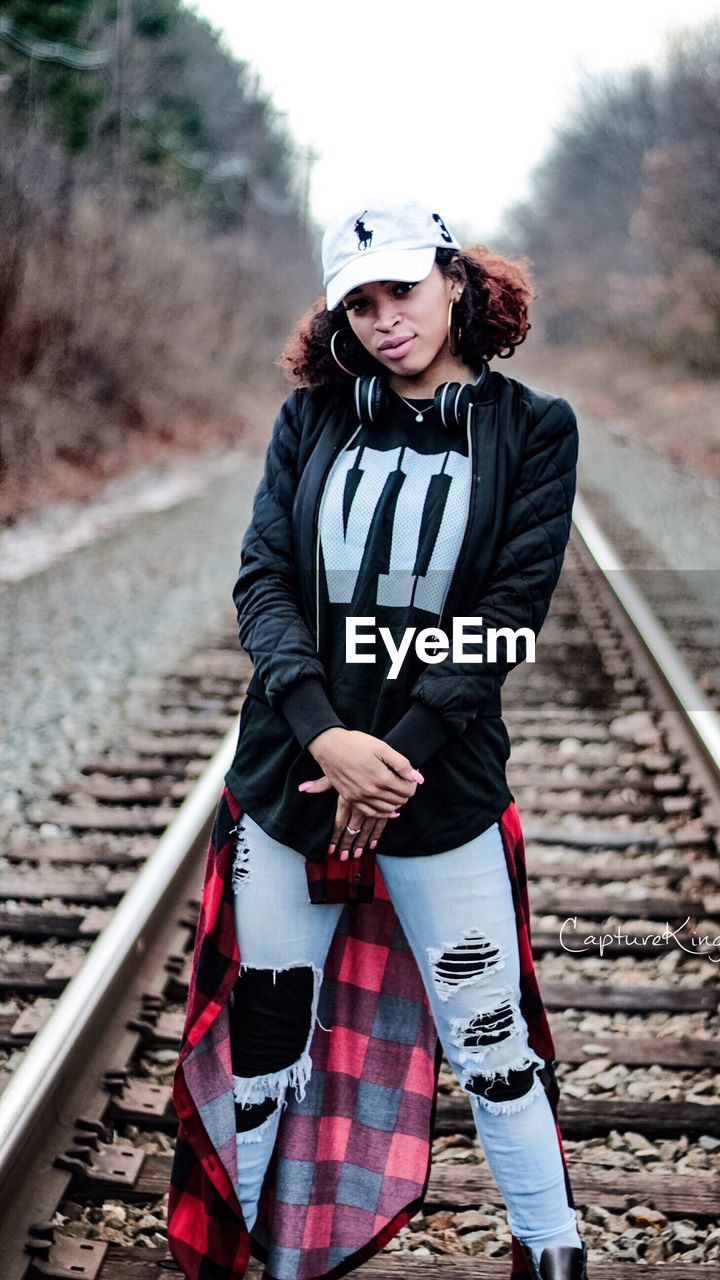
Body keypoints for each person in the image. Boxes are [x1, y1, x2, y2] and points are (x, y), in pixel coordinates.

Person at [167, 197, 586, 1280]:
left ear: (454, 280)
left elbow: (509, 610)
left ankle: (553, 1251)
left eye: (400, 288)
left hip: (438, 789)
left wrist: (387, 759)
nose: (382, 318)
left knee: (492, 1045)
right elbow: (262, 581)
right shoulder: (310, 416)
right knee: (266, 1043)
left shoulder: (533, 428)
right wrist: (324, 740)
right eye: (357, 301)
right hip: (289, 783)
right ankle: (246, 1255)